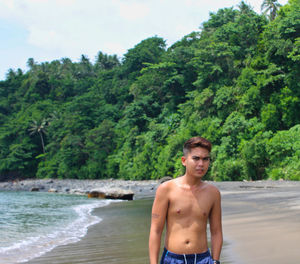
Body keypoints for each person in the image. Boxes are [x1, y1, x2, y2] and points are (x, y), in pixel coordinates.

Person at [149, 137, 223, 264]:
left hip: (203, 259)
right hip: (173, 259)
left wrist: (215, 260)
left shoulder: (213, 193)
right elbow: (156, 230)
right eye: (196, 158)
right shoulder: (166, 189)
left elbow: (216, 231)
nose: (201, 164)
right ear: (184, 161)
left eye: (206, 159)